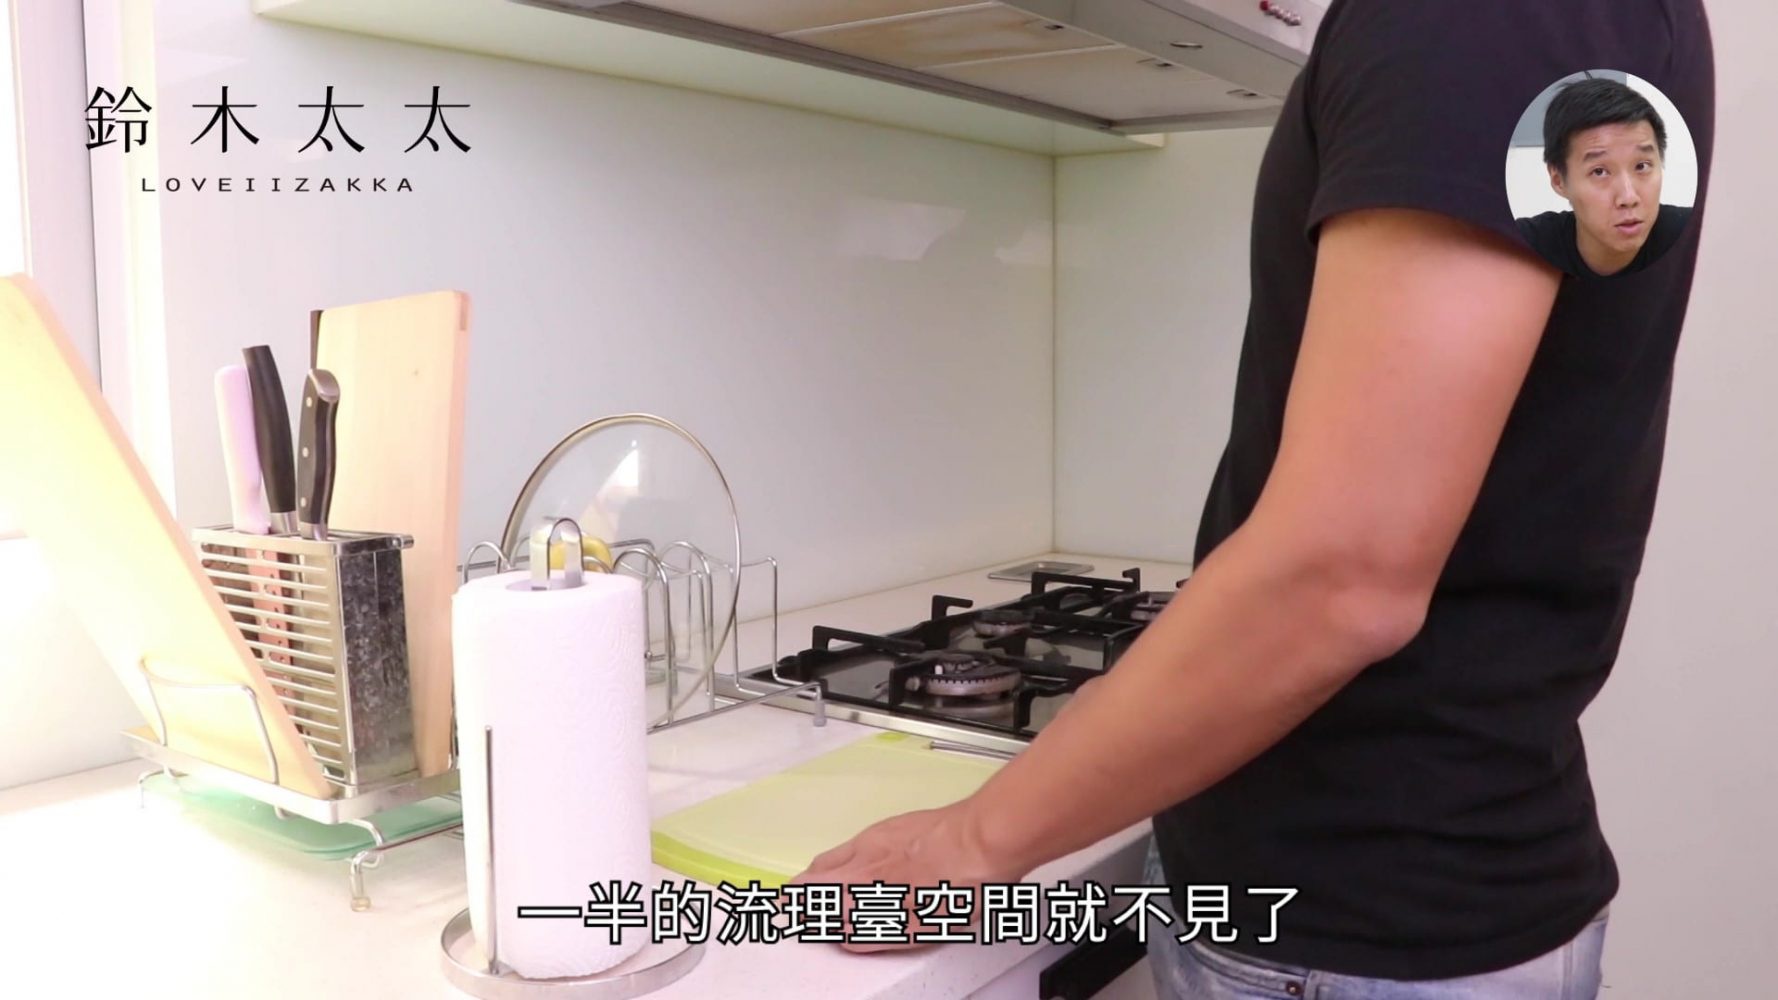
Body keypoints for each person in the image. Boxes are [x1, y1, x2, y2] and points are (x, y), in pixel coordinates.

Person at [789, 2, 1714, 997]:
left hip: (1349, 925)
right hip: (1399, 898)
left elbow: (1341, 574)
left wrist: (969, 840)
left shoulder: (1475, 17)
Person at [1517, 77, 1693, 278]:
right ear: (1559, 181)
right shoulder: (1523, 247)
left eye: (1641, 166)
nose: (1628, 198)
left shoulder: (1696, 235)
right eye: (1599, 171)